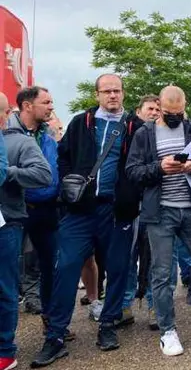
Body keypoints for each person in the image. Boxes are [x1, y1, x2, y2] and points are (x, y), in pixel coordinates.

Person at [32, 74, 144, 368]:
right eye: (106, 91)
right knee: (66, 268)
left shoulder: (135, 126)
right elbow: (63, 155)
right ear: (97, 94)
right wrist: (72, 184)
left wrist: (130, 195)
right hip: (80, 211)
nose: (112, 96)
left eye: (117, 91)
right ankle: (55, 336)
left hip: (117, 211)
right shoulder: (81, 122)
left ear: (123, 93)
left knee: (119, 269)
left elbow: (142, 163)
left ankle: (108, 325)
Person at [126, 86, 191, 356]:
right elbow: (132, 171)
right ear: (159, 107)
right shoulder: (144, 134)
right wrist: (159, 168)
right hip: (159, 211)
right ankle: (167, 330)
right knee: (161, 275)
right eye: (170, 113)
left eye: (179, 112)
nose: (175, 117)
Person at [0, 92, 49, 370]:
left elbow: (44, 175)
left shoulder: (19, 142)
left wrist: (7, 171)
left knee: (5, 288)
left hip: (8, 222)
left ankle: (5, 349)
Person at [11, 87, 59, 319]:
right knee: (9, 268)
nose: (51, 107)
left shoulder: (48, 134)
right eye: (46, 102)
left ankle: (51, 323)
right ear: (28, 106)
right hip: (15, 211)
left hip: (48, 211)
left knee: (50, 266)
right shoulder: (6, 134)